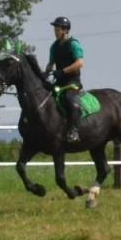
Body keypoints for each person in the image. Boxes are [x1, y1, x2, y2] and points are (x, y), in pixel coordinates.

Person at [46, 16, 86, 145]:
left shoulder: (73, 44)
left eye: (57, 29)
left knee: (70, 100)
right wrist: (45, 74)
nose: (55, 32)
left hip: (72, 83)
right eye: (55, 29)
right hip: (59, 82)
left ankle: (73, 131)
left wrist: (63, 71)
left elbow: (80, 63)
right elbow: (51, 63)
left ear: (65, 30)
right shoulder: (54, 46)